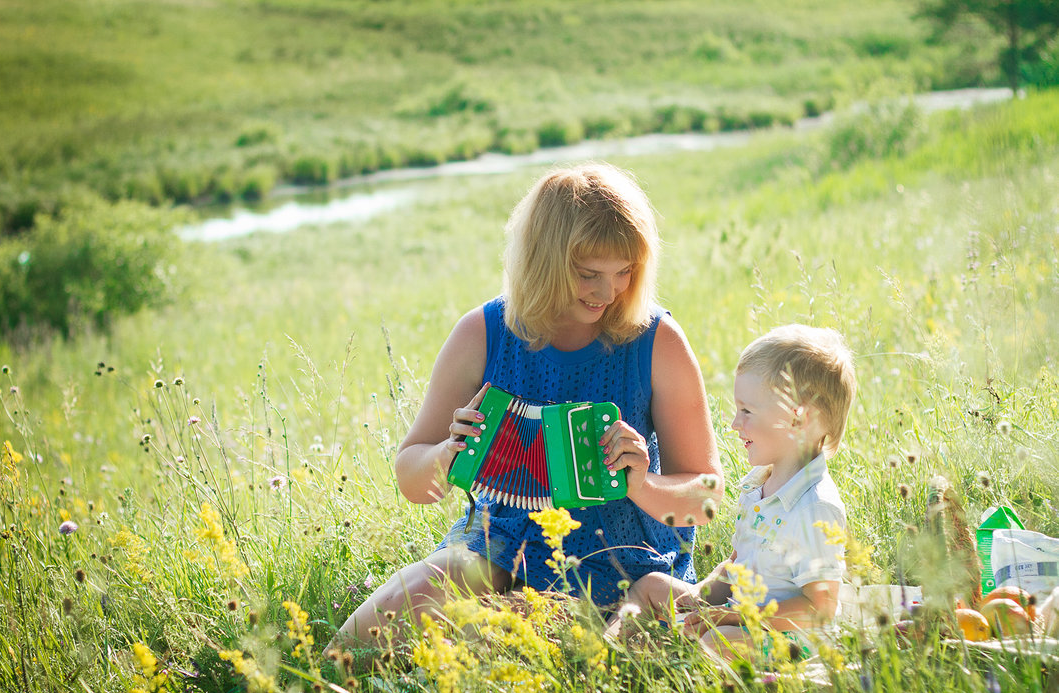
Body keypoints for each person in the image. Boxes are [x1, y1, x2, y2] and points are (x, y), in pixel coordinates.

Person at [328, 162, 722, 655]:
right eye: (588, 274)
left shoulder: (656, 340)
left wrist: (641, 483)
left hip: (625, 557)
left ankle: (524, 633)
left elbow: (705, 496)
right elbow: (412, 478)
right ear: (543, 261)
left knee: (600, 657)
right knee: (383, 620)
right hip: (500, 546)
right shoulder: (483, 332)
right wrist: (446, 456)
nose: (609, 292)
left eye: (625, 272)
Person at [612, 324, 857, 661]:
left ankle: (670, 667)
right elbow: (738, 564)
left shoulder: (815, 507)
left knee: (719, 641)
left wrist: (735, 617)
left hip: (789, 640)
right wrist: (702, 596)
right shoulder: (760, 486)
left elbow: (819, 608)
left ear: (798, 420)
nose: (734, 423)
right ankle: (602, 656)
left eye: (747, 411)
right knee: (653, 585)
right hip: (737, 617)